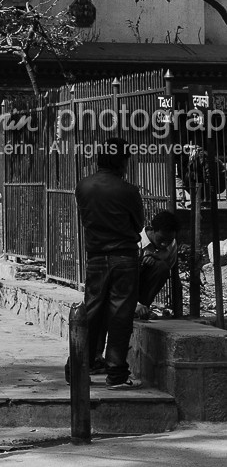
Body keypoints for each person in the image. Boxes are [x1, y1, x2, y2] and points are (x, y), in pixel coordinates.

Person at [75, 141, 145, 388]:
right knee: (120, 314)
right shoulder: (129, 191)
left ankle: (79, 365)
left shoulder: (83, 186)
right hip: (124, 257)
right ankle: (116, 373)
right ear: (122, 161)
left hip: (95, 256)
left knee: (91, 311)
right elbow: (138, 225)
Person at [138, 209, 182, 317]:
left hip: (144, 287)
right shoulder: (136, 241)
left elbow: (165, 269)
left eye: (169, 240)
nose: (164, 244)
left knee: (161, 267)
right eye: (161, 239)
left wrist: (155, 260)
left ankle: (143, 308)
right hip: (125, 284)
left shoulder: (171, 245)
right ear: (153, 230)